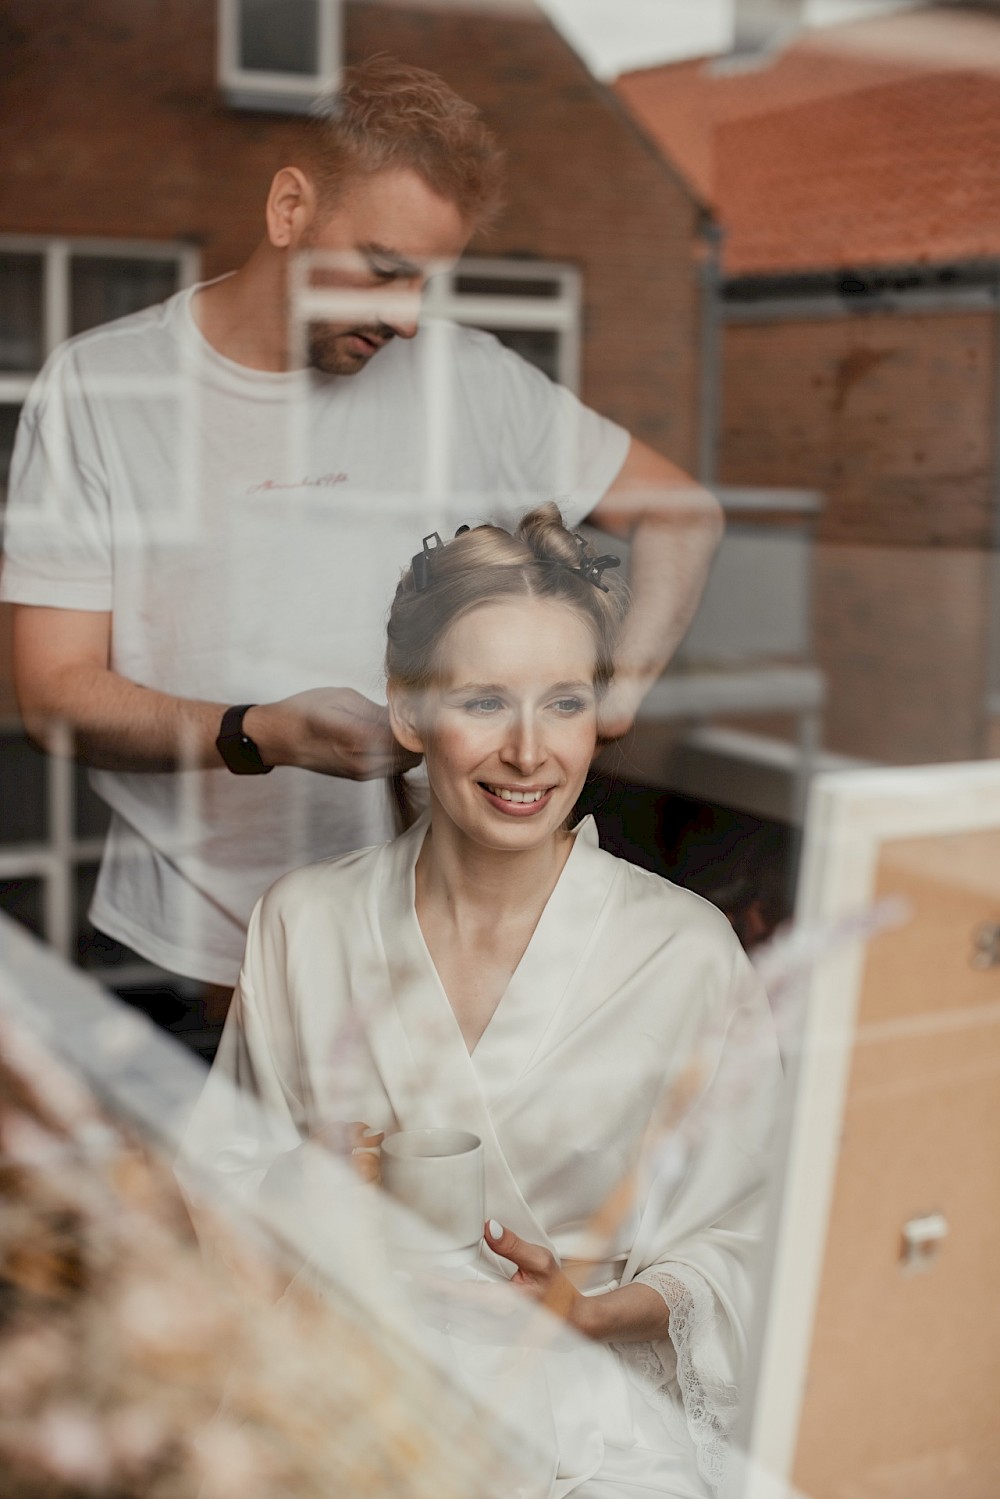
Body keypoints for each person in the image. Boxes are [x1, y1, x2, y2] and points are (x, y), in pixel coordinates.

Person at [0, 58, 723, 1009]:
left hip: (417, 969)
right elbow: (52, 696)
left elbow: (684, 516)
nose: (410, 317)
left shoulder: (476, 381)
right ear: (290, 209)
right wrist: (260, 734)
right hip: (183, 960)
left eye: (430, 280)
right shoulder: (103, 387)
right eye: (385, 271)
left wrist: (607, 698)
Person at [183, 507, 781, 1498]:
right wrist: (315, 1187)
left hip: (592, 1438)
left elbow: (752, 1239)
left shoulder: (681, 952)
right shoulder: (304, 922)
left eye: (562, 703)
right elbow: (224, 1186)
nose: (527, 751)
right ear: (409, 711)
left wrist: (593, 1313)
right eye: (482, 701)